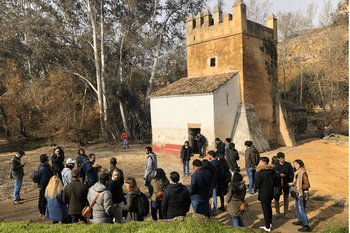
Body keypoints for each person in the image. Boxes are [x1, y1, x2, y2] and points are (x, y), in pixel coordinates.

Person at [255, 157, 279, 232]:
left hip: (263, 193)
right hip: (270, 192)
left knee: (265, 210)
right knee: (269, 208)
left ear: (262, 162)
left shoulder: (261, 173)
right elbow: (276, 183)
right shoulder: (273, 172)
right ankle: (270, 223)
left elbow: (257, 185)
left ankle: (267, 226)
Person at [288, 160, 311, 232]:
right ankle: (300, 220)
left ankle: (306, 225)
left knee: (301, 209)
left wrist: (298, 187)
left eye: (296, 164)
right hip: (299, 193)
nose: (295, 165)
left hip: (302, 193)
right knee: (296, 206)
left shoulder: (303, 173)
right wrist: (293, 184)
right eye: (294, 164)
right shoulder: (297, 172)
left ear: (300, 165)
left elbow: (307, 185)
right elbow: (298, 182)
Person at [273, 152, 294, 218]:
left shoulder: (288, 165)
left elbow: (292, 174)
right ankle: (277, 211)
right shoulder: (275, 165)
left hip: (286, 183)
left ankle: (285, 212)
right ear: (278, 159)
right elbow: (273, 175)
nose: (283, 159)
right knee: (276, 198)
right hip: (277, 184)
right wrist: (279, 175)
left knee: (286, 197)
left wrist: (291, 182)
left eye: (284, 158)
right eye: (282, 158)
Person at [37, 154, 53, 220]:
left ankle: (41, 212)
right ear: (46, 161)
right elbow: (45, 179)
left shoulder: (40, 167)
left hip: (41, 185)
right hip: (44, 186)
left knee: (41, 199)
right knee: (43, 200)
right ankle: (43, 213)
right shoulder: (44, 169)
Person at [207, 150, 223, 215]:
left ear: (211, 156)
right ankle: (214, 210)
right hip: (216, 181)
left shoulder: (210, 164)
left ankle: (210, 210)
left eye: (208, 155)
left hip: (211, 182)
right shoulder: (219, 163)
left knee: (208, 197)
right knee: (214, 196)